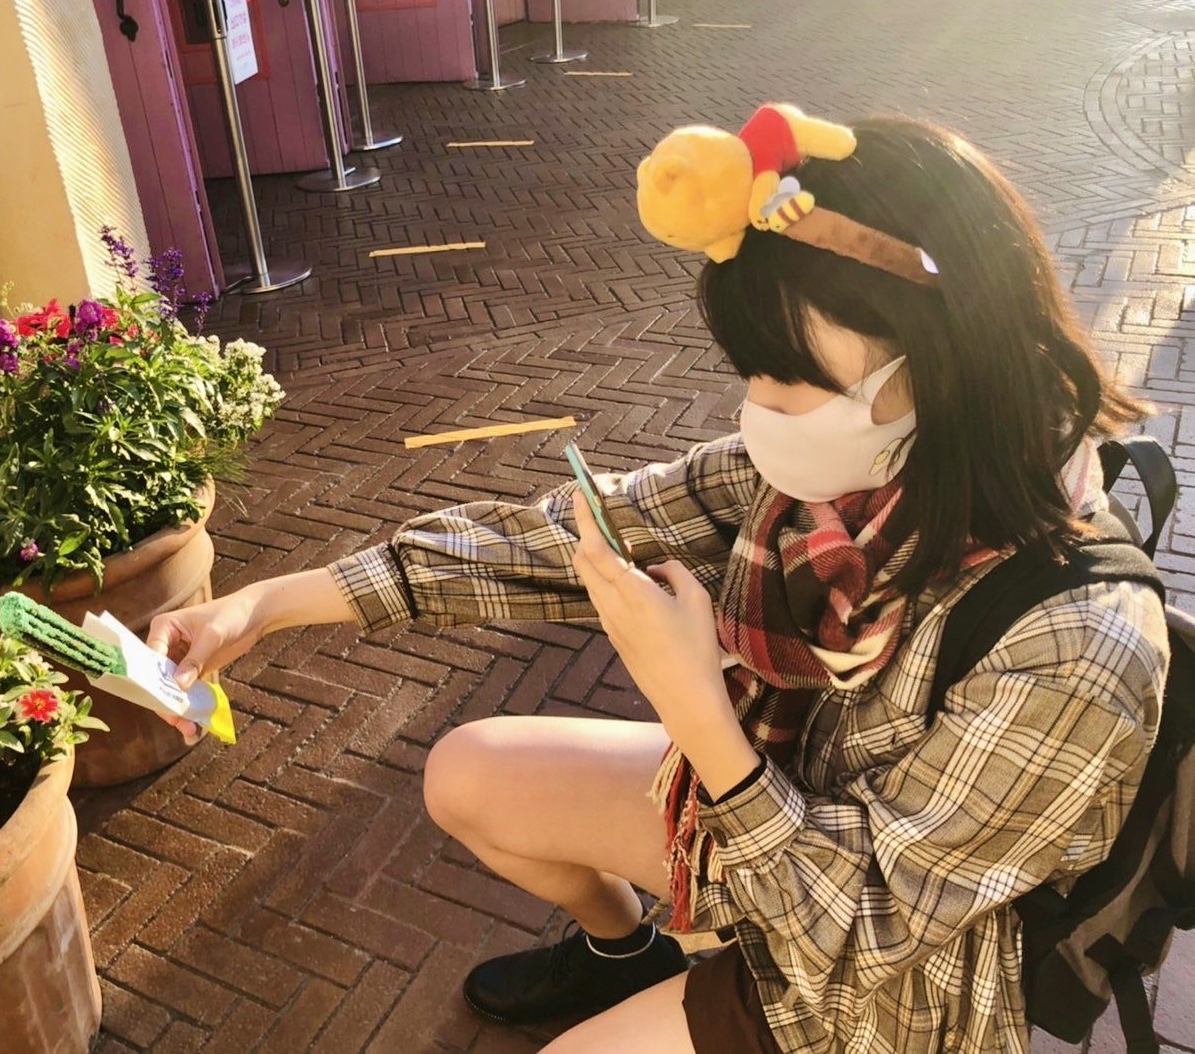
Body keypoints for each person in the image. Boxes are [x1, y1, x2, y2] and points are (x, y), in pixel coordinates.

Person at [147, 113, 1170, 1053]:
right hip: (761, 812)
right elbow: (556, 539)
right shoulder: (826, 484)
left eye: (788, 378)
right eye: (748, 368)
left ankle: (691, 975)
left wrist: (699, 714)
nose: (755, 411)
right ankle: (625, 952)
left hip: (885, 988)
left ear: (937, 365)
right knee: (465, 774)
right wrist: (269, 603)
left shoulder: (1077, 637)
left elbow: (865, 928)